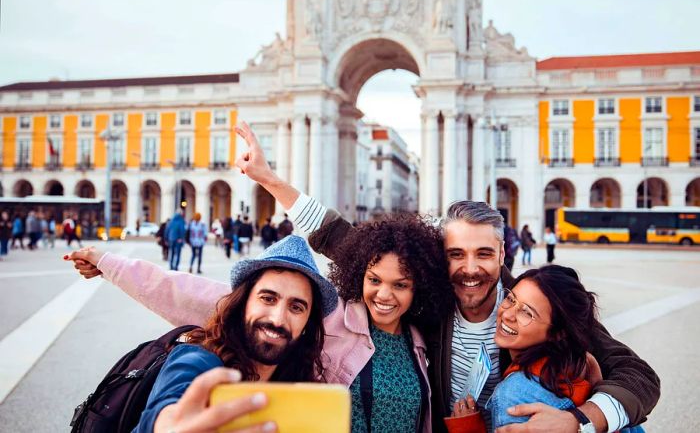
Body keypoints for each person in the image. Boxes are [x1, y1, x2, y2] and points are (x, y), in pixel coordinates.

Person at [232, 122, 660, 433]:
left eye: (484, 254)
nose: (470, 269)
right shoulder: (428, 301)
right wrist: (270, 181)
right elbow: (342, 238)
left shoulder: (537, 301)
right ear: (441, 257)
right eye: (457, 254)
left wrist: (578, 422)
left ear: (503, 254)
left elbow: (638, 375)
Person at [68, 218, 453, 433]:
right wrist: (111, 265)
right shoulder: (198, 361)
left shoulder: (419, 341)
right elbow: (185, 293)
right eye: (375, 280)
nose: (385, 294)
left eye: (400, 284)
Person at [66, 234, 337, 433]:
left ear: (307, 325)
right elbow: (171, 404)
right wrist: (168, 424)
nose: (278, 318)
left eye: (296, 307)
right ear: (243, 304)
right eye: (268, 299)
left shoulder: (304, 385)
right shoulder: (198, 358)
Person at [448, 265, 644, 432]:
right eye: (511, 299)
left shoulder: (515, 395)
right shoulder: (577, 365)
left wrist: (468, 428)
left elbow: (642, 376)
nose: (508, 315)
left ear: (557, 333)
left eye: (527, 313)